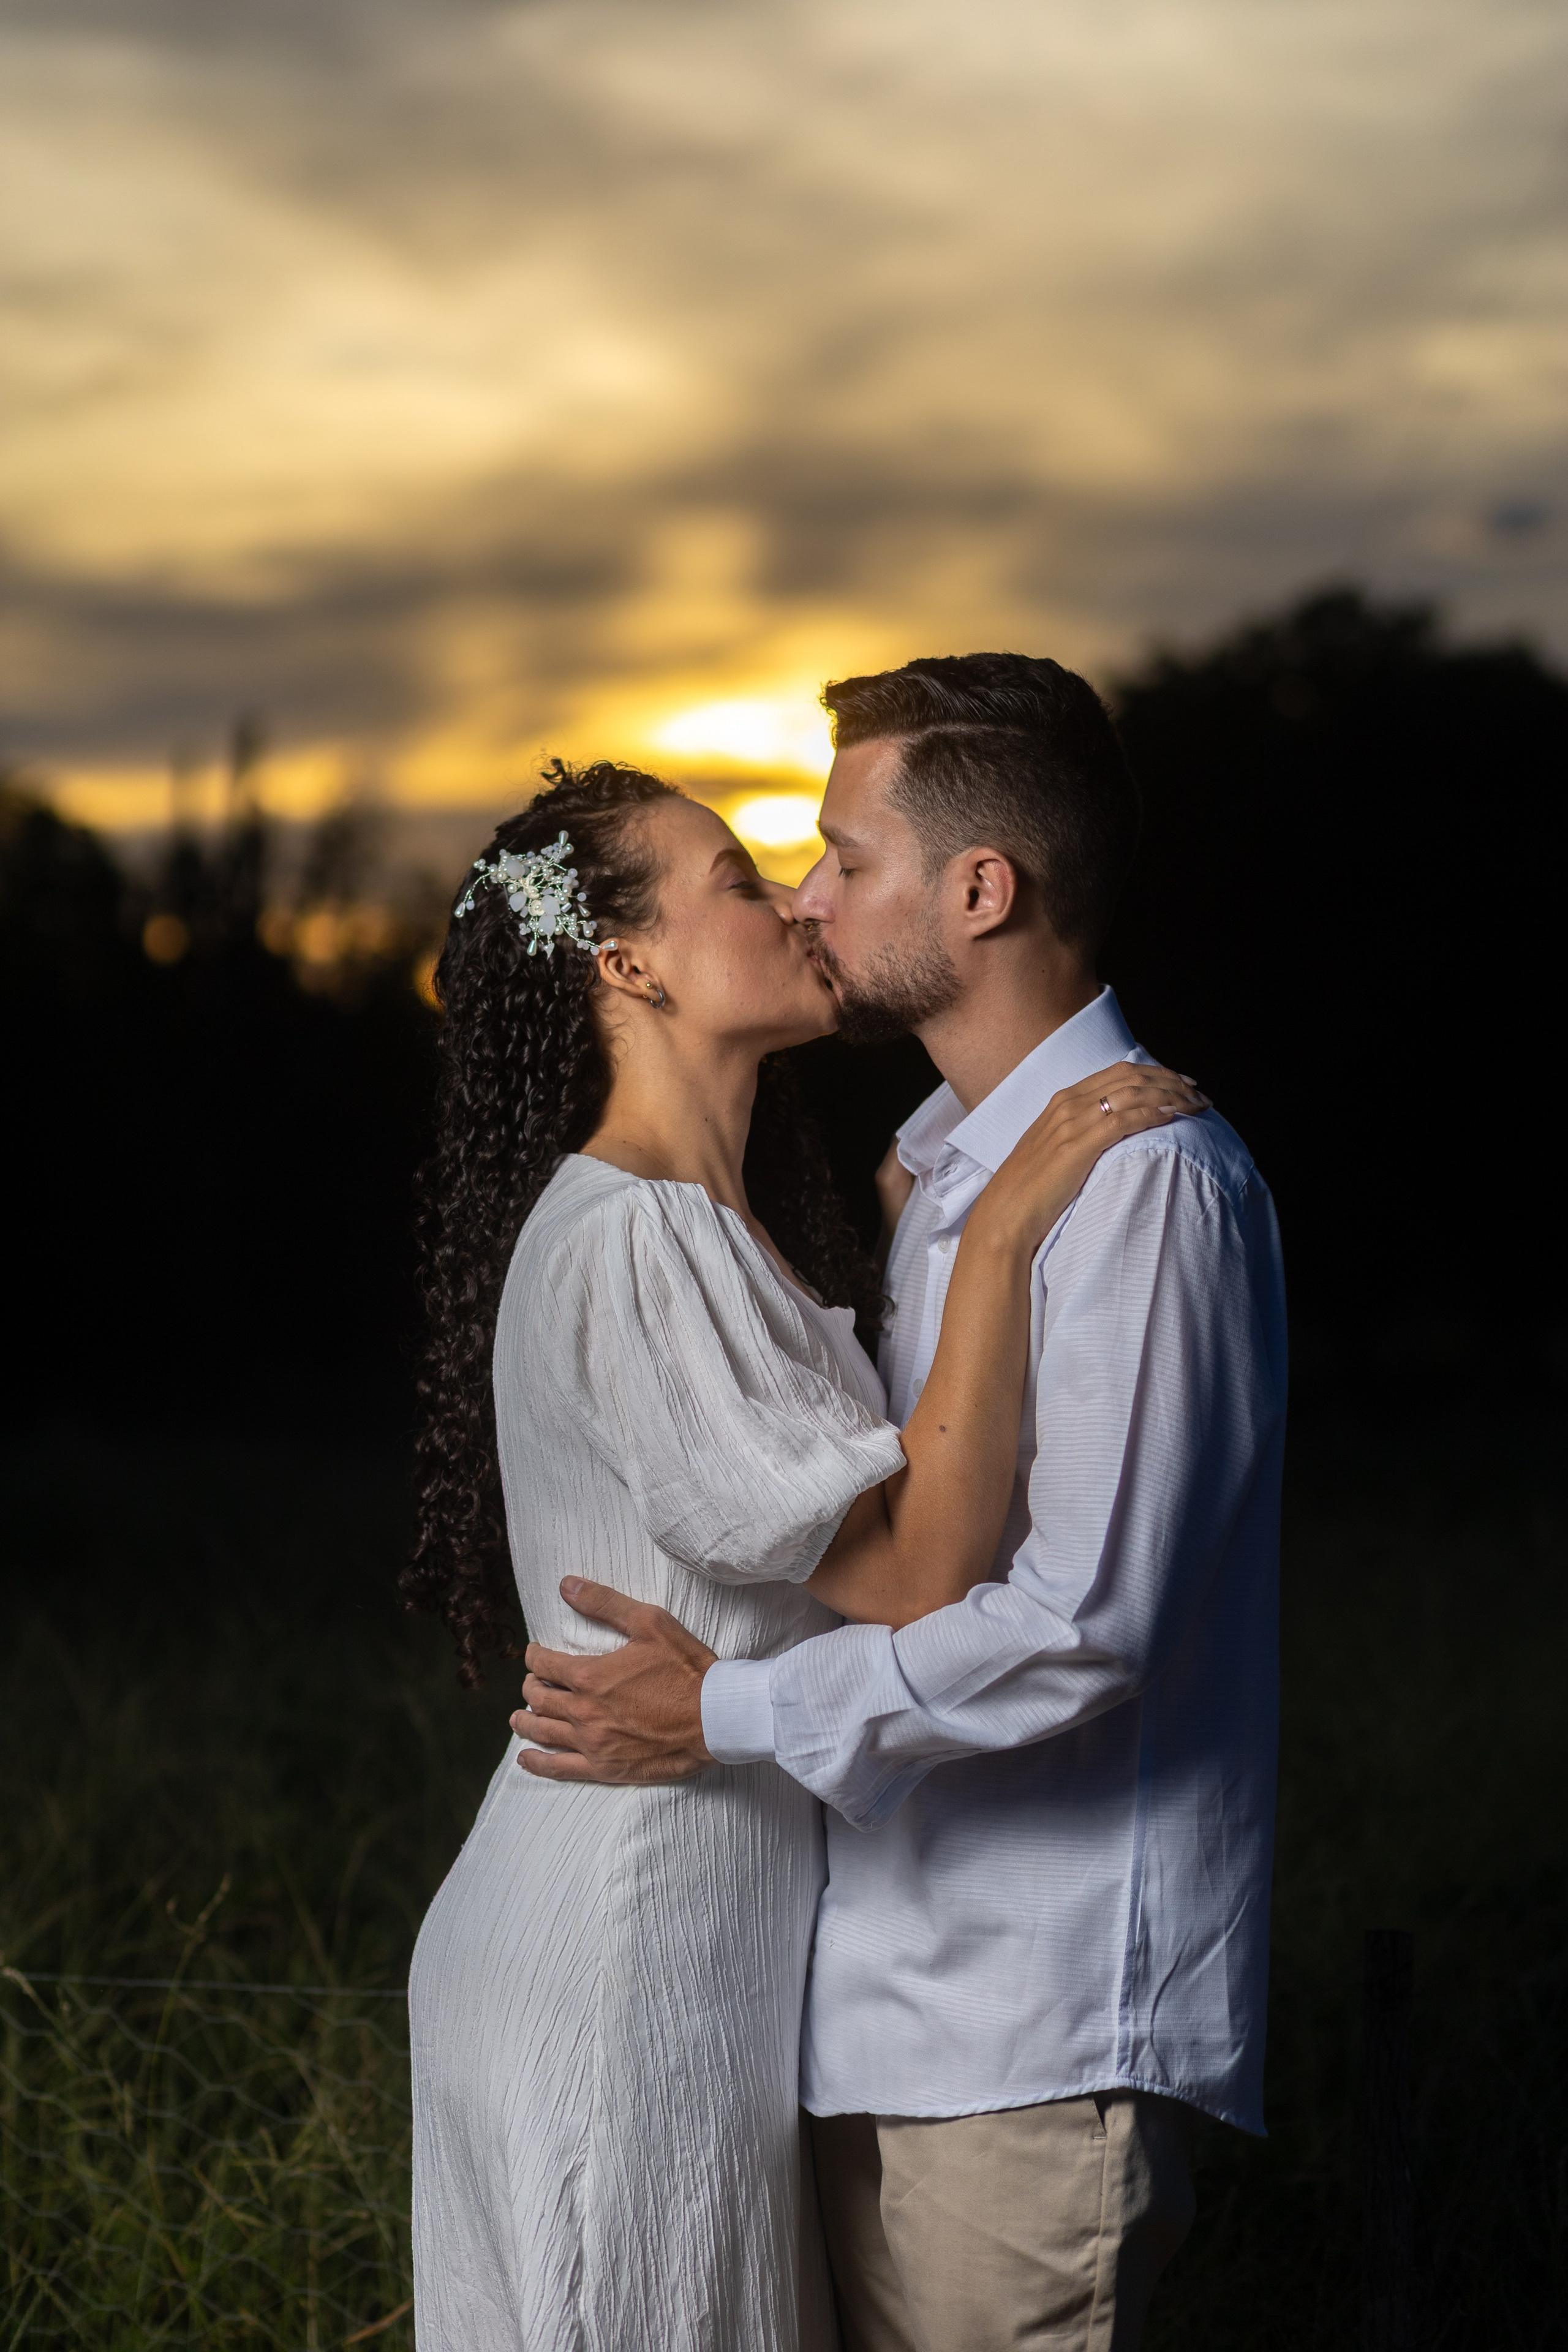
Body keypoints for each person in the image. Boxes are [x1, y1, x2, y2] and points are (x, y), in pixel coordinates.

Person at [514, 655, 1288, 2352]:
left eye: (843, 858)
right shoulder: (945, 1176)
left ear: (981, 889)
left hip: (1033, 2032)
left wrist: (723, 1711)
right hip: (867, 2018)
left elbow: (1080, 1627)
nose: (812, 898)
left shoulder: (1144, 1185)